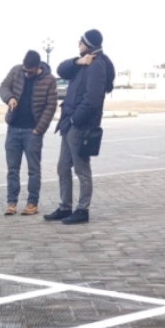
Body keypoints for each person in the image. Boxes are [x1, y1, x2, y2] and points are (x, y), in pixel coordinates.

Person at [46, 29, 111, 226]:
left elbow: (92, 99)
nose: (78, 44)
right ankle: (65, 206)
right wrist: (77, 61)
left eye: (80, 41)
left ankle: (82, 209)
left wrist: (76, 119)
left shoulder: (97, 65)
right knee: (62, 167)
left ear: (88, 43)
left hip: (79, 125)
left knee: (82, 169)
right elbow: (61, 70)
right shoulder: (84, 61)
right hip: (68, 122)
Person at [0, 51, 58, 217]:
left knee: (33, 170)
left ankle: (32, 203)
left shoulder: (49, 80)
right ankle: (11, 203)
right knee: (12, 169)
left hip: (32, 131)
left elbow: (51, 106)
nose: (26, 73)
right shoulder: (16, 71)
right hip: (13, 128)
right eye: (25, 70)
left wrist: (39, 129)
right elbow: (3, 87)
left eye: (30, 71)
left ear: (38, 67)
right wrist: (9, 97)